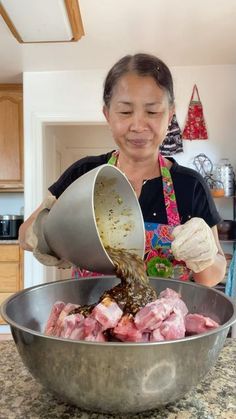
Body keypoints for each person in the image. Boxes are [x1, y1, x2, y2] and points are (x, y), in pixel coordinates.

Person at [19, 53, 226, 286]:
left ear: (170, 115)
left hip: (167, 321)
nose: (138, 125)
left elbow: (212, 277)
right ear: (107, 114)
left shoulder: (191, 185)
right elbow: (26, 235)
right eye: (125, 112)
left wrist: (205, 256)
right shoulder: (84, 173)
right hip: (93, 317)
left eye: (152, 111)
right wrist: (50, 234)